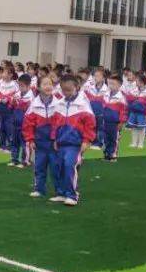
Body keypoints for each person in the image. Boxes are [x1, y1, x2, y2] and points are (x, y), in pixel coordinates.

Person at [46, 75, 96, 206]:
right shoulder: (60, 104)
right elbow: (55, 124)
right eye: (63, 90)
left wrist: (86, 140)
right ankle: (61, 193)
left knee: (69, 166)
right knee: (58, 167)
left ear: (77, 87)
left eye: (69, 90)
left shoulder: (83, 104)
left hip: (75, 144)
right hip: (61, 142)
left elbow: (90, 124)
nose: (66, 93)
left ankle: (72, 195)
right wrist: (55, 139)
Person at [22, 76, 55, 198]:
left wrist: (58, 138)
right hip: (39, 142)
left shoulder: (58, 103)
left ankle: (60, 190)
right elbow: (28, 124)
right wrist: (30, 139)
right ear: (39, 87)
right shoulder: (34, 104)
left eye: (50, 84)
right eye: (45, 84)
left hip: (54, 143)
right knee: (39, 166)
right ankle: (39, 189)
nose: (48, 86)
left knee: (56, 168)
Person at [100, 74, 127, 162]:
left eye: (114, 84)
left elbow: (124, 112)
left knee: (114, 139)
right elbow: (103, 107)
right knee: (105, 138)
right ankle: (106, 154)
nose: (111, 86)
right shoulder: (106, 94)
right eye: (110, 83)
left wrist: (121, 122)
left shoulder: (121, 98)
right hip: (105, 121)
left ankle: (113, 155)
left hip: (115, 123)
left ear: (119, 85)